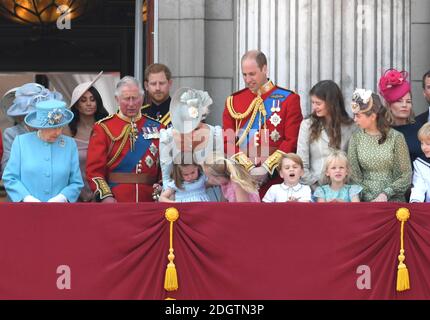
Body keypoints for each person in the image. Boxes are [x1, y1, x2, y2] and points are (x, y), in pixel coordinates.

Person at [223, 50, 303, 197]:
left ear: (264, 69)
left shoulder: (289, 99)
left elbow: (292, 140)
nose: (247, 80)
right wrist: (247, 167)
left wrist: (267, 167)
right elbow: (228, 140)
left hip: (277, 178)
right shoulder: (234, 101)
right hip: (243, 178)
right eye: (244, 75)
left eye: (252, 74)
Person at [86, 76, 164, 203]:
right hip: (116, 199)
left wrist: (162, 188)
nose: (131, 104)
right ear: (117, 99)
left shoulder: (158, 127)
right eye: (127, 99)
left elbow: (164, 167)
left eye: (135, 98)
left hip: (150, 200)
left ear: (142, 98)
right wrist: (106, 196)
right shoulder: (103, 127)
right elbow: (94, 171)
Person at [2, 99, 83, 202]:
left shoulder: (70, 145)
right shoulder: (21, 142)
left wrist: (62, 197)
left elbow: (76, 182)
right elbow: (10, 178)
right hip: (26, 210)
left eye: (60, 127)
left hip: (60, 211)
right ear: (40, 126)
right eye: (53, 128)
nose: (58, 133)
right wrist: (26, 198)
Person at [159, 87, 223, 201]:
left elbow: (220, 172)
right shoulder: (168, 136)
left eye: (196, 126)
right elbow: (166, 178)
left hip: (210, 199)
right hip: (179, 200)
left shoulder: (215, 134)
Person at [347, 89, 412, 202]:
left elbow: (405, 175)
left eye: (358, 115)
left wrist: (385, 194)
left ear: (372, 116)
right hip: (365, 202)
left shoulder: (396, 137)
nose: (355, 119)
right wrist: (367, 197)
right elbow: (354, 175)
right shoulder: (356, 138)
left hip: (393, 201)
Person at [297, 80, 356, 189]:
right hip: (313, 189)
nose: (314, 107)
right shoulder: (307, 125)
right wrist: (316, 186)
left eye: (318, 103)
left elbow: (353, 163)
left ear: (332, 103)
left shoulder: (350, 126)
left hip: (343, 189)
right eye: (313, 103)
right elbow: (301, 163)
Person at [63, 71, 109, 202]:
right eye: (83, 100)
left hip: (104, 193)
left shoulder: (106, 128)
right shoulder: (67, 131)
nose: (89, 103)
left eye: (92, 99)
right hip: (73, 194)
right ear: (77, 105)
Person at [1, 83, 62, 170]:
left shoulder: (55, 131)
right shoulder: (12, 133)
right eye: (33, 113)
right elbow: (7, 168)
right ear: (23, 115)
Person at [378, 68, 425, 162]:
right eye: (399, 101)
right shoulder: (381, 131)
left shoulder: (420, 129)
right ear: (389, 105)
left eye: (408, 101)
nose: (404, 105)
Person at [410, 123, 430, 203]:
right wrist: (415, 202)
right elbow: (418, 186)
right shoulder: (420, 163)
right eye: (422, 143)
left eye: (428, 144)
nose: (424, 147)